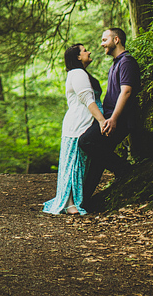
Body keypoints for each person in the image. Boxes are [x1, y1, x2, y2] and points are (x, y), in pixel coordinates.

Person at [79, 26, 141, 207]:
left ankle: (125, 170)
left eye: (105, 39)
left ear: (116, 40)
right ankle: (84, 201)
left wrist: (113, 119)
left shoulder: (127, 62)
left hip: (119, 119)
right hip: (110, 117)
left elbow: (127, 91)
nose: (101, 43)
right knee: (98, 157)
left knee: (86, 142)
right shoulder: (116, 63)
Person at [42, 43, 106, 215]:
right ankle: (70, 203)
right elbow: (87, 99)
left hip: (82, 123)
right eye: (85, 50)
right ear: (78, 57)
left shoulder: (79, 73)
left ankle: (76, 199)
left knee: (81, 164)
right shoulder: (77, 73)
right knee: (73, 163)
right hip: (78, 124)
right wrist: (101, 120)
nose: (89, 51)